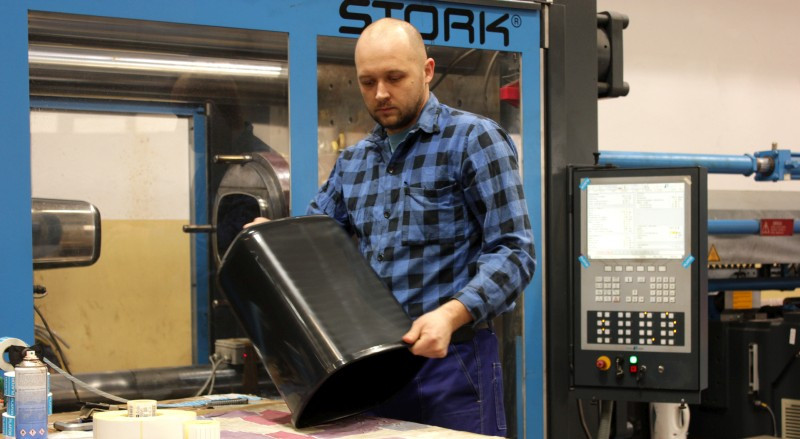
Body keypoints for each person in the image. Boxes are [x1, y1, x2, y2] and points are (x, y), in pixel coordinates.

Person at [249, 17, 535, 437]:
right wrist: (271, 236)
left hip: (450, 365)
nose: (380, 93)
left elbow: (514, 251)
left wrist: (451, 315)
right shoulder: (353, 162)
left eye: (394, 77)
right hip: (370, 368)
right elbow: (312, 242)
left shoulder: (473, 140)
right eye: (368, 82)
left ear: (427, 70)